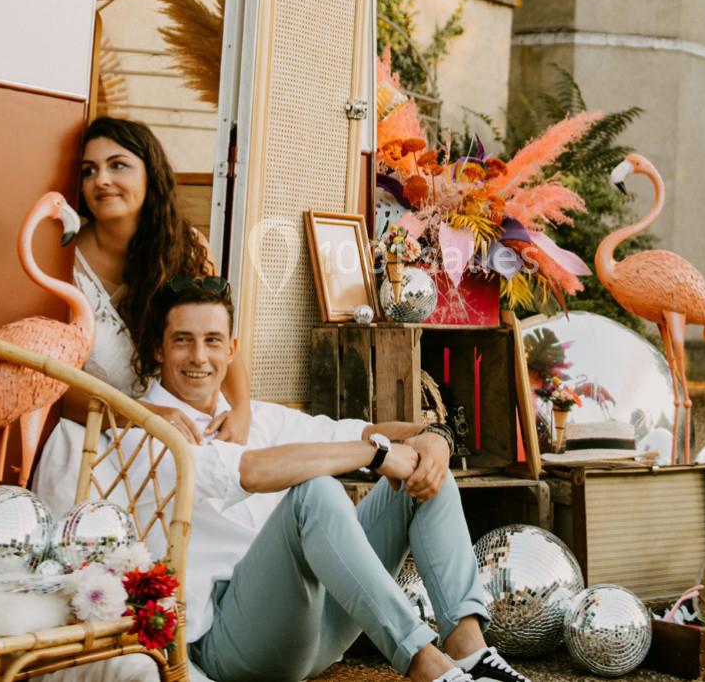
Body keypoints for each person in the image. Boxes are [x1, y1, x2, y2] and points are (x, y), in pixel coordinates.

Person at [138, 280, 531, 682]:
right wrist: (378, 454)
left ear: (231, 350)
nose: (199, 356)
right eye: (183, 340)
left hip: (317, 630)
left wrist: (434, 439)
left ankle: (472, 654)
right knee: (315, 491)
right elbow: (250, 472)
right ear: (158, 348)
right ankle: (428, 667)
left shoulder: (258, 417)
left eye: (213, 340)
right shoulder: (142, 432)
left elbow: (366, 431)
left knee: (422, 466)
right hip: (234, 642)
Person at [33, 117, 251, 518]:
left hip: (179, 410)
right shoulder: (64, 263)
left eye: (118, 165)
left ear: (150, 173)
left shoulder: (185, 248)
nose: (101, 180)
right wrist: (143, 416)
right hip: (102, 425)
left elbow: (220, 330)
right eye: (89, 171)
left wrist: (242, 410)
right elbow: (57, 388)